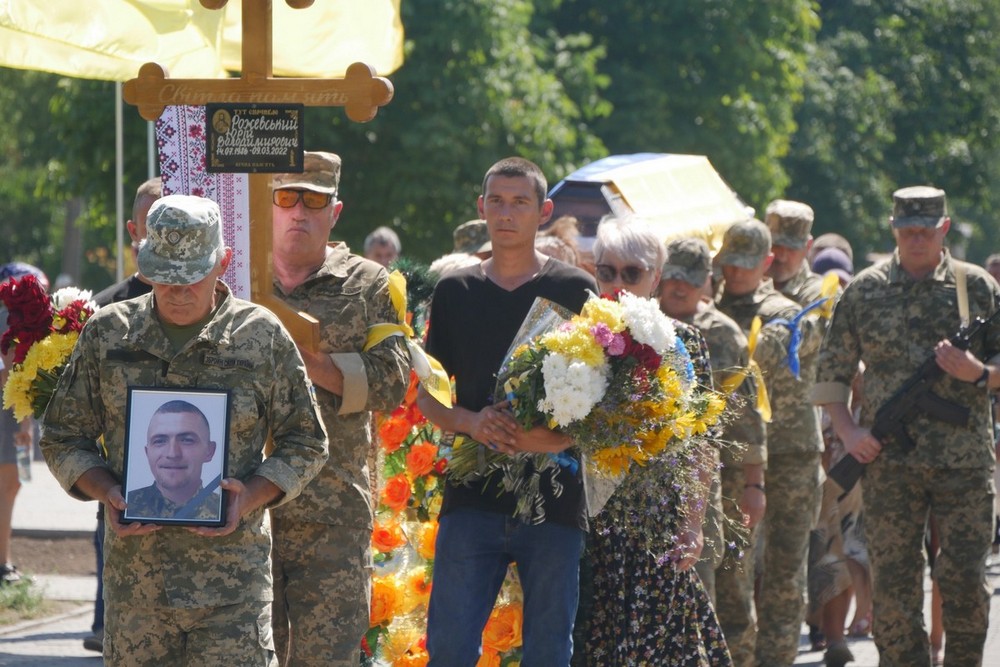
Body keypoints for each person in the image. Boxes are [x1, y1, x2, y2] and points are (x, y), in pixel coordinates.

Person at [39, 194, 328, 665]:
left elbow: (308, 440)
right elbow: (62, 435)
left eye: (191, 276)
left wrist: (250, 495)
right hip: (138, 593)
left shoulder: (261, 337)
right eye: (164, 276)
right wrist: (107, 489)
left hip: (232, 590)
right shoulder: (109, 334)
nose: (177, 290)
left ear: (223, 262)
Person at [416, 157, 596, 666]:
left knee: (547, 651)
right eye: (496, 200)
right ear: (481, 207)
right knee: (449, 649)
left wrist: (550, 440)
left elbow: (601, 404)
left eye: (520, 202)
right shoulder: (455, 291)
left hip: (554, 498)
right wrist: (471, 423)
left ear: (544, 211)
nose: (506, 213)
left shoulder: (575, 289)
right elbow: (428, 395)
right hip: (472, 497)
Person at [812, 185, 1000, 666]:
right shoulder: (866, 289)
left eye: (925, 231)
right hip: (888, 463)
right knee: (893, 592)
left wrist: (978, 373)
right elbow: (830, 374)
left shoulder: (976, 287)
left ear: (944, 229)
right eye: (906, 230)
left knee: (962, 582)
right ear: (893, 229)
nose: (915, 239)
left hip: (963, 464)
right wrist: (850, 434)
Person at [269, 151, 410, 666]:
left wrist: (309, 362)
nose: (299, 213)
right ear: (270, 206)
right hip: (241, 509)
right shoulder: (233, 278)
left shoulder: (370, 283)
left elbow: (393, 381)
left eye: (314, 201)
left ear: (336, 211)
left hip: (331, 513)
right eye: (287, 198)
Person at [572, 219, 731, 665]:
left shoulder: (685, 344)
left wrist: (693, 524)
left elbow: (703, 442)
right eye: (607, 271)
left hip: (656, 523)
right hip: (585, 524)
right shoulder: (573, 340)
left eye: (632, 273)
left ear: (656, 277)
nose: (618, 283)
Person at [714, 218, 825, 667]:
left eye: (746, 265)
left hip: (790, 453)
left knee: (783, 575)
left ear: (766, 263)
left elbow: (781, 346)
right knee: (732, 574)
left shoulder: (783, 312)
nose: (736, 273)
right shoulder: (709, 309)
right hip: (736, 458)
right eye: (729, 264)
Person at [658, 238, 767, 625]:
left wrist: (755, 486)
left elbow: (748, 417)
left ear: (706, 279)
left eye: (689, 278)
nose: (679, 286)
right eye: (671, 276)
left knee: (727, 590)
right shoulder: (642, 325)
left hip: (712, 479)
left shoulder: (723, 333)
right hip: (652, 480)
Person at [84, 175, 161, 653]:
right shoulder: (105, 307)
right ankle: (103, 622)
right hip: (120, 473)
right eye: (152, 224)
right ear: (133, 230)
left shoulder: (215, 303)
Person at [0, 262, 49, 587]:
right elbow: (9, 371)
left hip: (19, 415)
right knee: (7, 486)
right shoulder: (8, 320)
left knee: (14, 484)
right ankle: (2, 565)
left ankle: (4, 561)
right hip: (9, 414)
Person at [125, 400, 222, 520]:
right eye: (160, 441)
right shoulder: (125, 506)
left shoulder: (226, 510)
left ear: (210, 451)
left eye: (187, 440)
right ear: (147, 452)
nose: (173, 454)